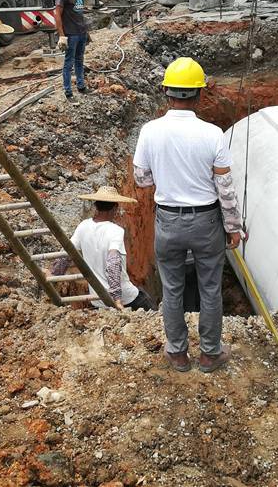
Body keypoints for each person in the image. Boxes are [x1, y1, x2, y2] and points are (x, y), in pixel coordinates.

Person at [132, 57, 245, 374]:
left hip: (168, 220)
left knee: (172, 289)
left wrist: (169, 179)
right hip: (207, 221)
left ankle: (178, 354)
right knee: (210, 289)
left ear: (166, 92)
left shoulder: (150, 131)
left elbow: (141, 179)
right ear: (199, 95)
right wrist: (233, 226)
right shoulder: (212, 135)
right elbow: (225, 186)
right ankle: (209, 354)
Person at [50, 186, 156, 311]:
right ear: (115, 208)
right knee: (152, 312)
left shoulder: (83, 226)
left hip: (97, 300)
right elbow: (113, 262)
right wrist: (117, 298)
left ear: (96, 206)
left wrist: (54, 273)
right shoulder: (115, 231)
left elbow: (66, 255)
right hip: (126, 298)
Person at [55, 0, 91, 104]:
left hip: (80, 32)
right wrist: (61, 35)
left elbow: (79, 13)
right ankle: (68, 91)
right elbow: (57, 14)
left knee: (79, 60)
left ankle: (81, 86)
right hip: (70, 34)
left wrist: (85, 31)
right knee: (68, 63)